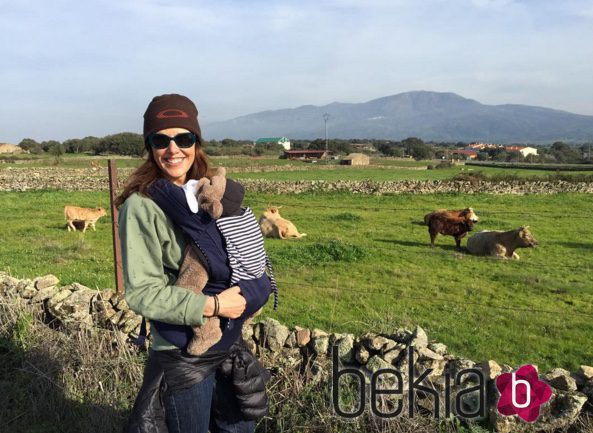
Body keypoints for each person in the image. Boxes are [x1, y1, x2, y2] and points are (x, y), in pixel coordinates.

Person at [116, 94, 272, 433]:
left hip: (228, 340)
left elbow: (239, 248)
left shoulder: (209, 193)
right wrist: (214, 304)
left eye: (183, 138)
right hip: (181, 350)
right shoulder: (141, 207)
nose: (173, 149)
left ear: (196, 142)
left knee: (239, 427)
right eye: (161, 139)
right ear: (150, 146)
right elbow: (142, 293)